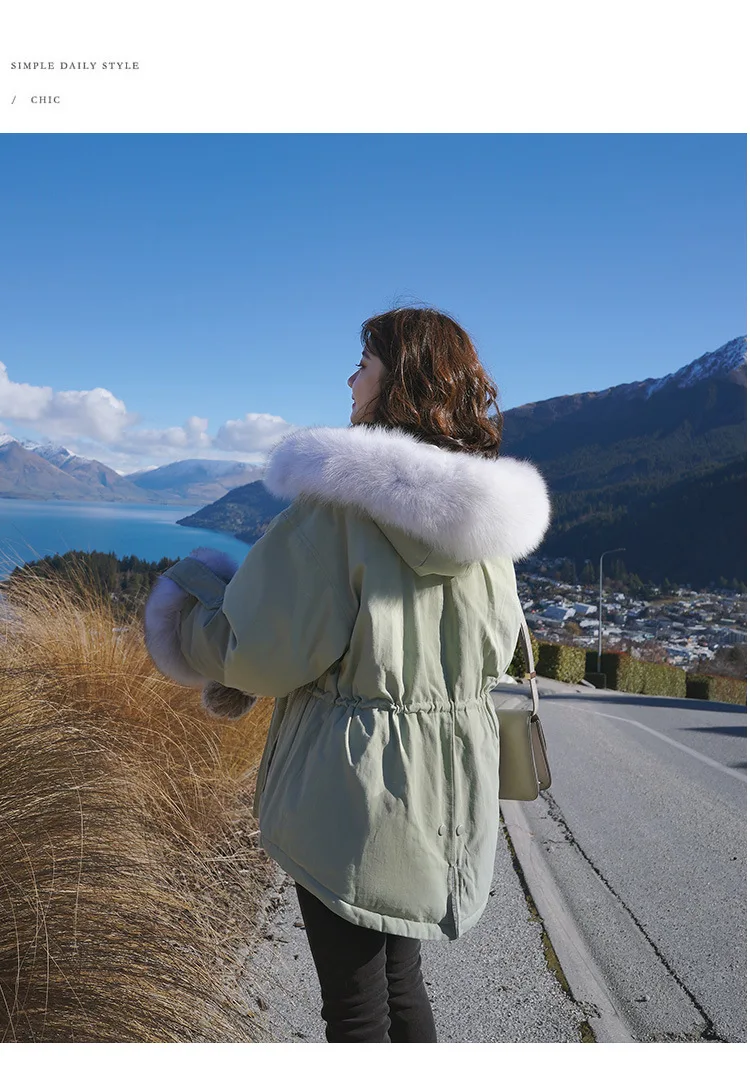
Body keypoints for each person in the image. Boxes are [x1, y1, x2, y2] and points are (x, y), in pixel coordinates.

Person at [143, 306, 551, 1043]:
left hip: (351, 790)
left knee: (354, 1005)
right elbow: (499, 647)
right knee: (400, 982)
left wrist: (182, 617)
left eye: (365, 361)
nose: (351, 375)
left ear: (400, 380)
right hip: (446, 783)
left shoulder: (340, 507)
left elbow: (261, 649)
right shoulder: (488, 526)